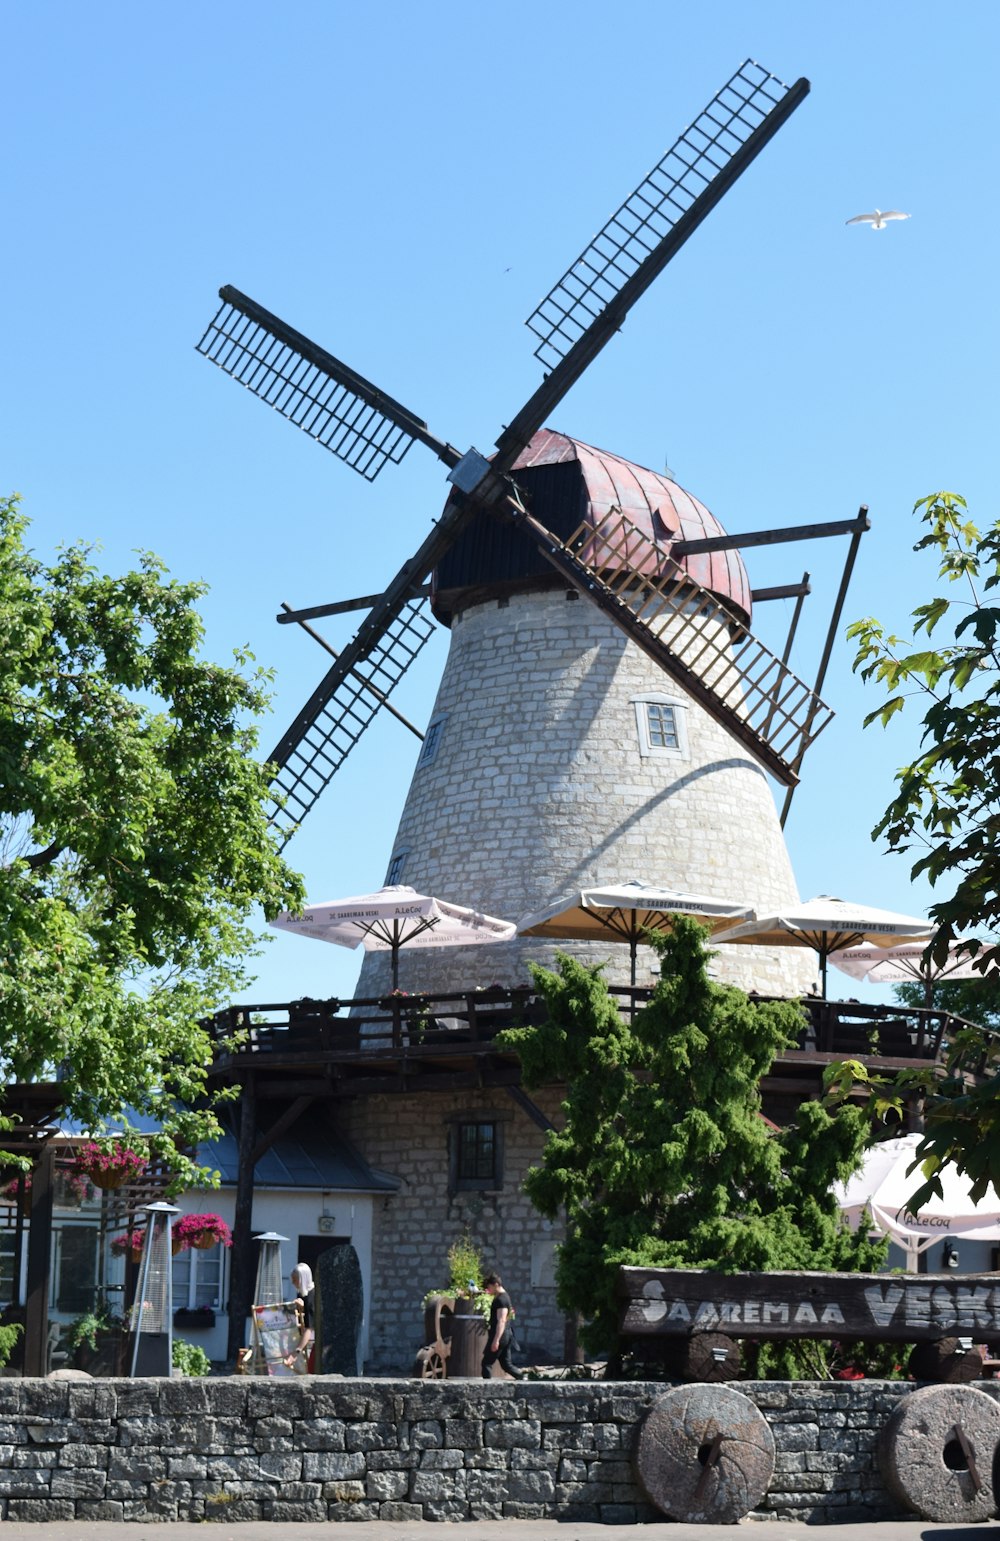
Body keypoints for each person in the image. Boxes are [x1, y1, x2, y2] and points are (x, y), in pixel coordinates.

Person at [481, 1271, 522, 1379]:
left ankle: (486, 1388)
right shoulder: (503, 1297)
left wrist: (496, 1340)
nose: (488, 1290)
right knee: (506, 1364)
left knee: (486, 1363)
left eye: (489, 1287)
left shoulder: (501, 1300)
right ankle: (524, 1378)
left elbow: (502, 1320)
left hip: (501, 1335)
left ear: (496, 1285)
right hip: (506, 1334)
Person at [284, 1262, 316, 1372]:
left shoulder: (313, 1296)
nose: (292, 1282)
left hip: (314, 1341)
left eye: (295, 1279)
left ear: (302, 1279)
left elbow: (309, 1327)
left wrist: (295, 1352)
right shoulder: (302, 1294)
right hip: (302, 1339)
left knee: (311, 1370)